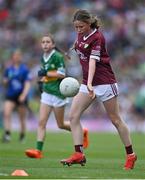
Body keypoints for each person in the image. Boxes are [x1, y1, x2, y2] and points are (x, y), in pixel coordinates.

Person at [60, 9, 137, 170]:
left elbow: (92, 63)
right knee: (73, 116)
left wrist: (89, 84)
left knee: (115, 119)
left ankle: (131, 155)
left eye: (81, 27)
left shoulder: (98, 37)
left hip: (104, 82)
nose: (78, 30)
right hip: (88, 83)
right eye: (76, 27)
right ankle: (78, 153)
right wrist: (69, 51)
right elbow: (78, 45)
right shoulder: (81, 34)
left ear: (88, 24)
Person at [25, 33, 88, 159]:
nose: (45, 44)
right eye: (43, 42)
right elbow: (47, 75)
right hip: (47, 93)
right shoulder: (44, 57)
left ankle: (83, 132)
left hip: (58, 94)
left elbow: (61, 74)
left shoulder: (58, 56)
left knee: (60, 125)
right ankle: (38, 151)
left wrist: (46, 73)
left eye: (48, 42)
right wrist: (42, 81)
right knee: (41, 122)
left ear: (53, 44)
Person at [2, 49, 31, 142]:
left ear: (20, 57)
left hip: (21, 96)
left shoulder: (24, 69)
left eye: (18, 55)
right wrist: (5, 81)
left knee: (21, 117)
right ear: (12, 57)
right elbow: (4, 82)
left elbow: (27, 83)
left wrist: (23, 95)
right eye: (15, 55)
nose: (16, 57)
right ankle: (7, 134)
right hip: (11, 95)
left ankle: (22, 135)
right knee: (6, 113)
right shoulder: (9, 69)